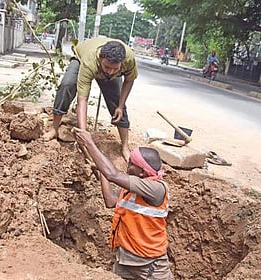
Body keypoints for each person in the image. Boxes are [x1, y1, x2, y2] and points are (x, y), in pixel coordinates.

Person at [74, 128, 174, 280]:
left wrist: (89, 143)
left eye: (130, 164)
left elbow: (113, 174)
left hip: (150, 265)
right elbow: (110, 201)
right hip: (125, 260)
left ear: (142, 172)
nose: (127, 167)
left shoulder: (155, 188)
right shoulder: (135, 187)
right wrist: (102, 172)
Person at [42, 37, 138, 162]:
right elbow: (83, 99)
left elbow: (129, 80)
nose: (111, 71)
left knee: (117, 102)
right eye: (108, 67)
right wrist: (84, 134)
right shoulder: (90, 61)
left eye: (115, 68)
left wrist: (120, 105)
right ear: (100, 58)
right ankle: (54, 128)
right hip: (81, 58)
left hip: (105, 64)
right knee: (67, 85)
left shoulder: (128, 59)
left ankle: (125, 146)